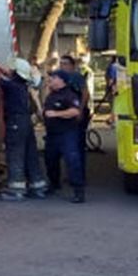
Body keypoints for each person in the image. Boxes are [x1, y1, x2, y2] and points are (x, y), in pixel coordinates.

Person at [0, 57, 47, 201]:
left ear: (16, 72)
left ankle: (16, 189)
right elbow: (8, 74)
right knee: (30, 154)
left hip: (15, 123)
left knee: (15, 154)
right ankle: (38, 186)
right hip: (26, 122)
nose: (9, 70)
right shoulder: (22, 84)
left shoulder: (11, 85)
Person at [43, 71, 86, 203]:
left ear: (62, 81)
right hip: (52, 134)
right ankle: (54, 183)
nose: (51, 79)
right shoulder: (51, 95)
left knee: (72, 160)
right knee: (50, 160)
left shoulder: (69, 95)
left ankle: (78, 191)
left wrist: (56, 114)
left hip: (67, 133)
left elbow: (75, 111)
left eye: (54, 77)